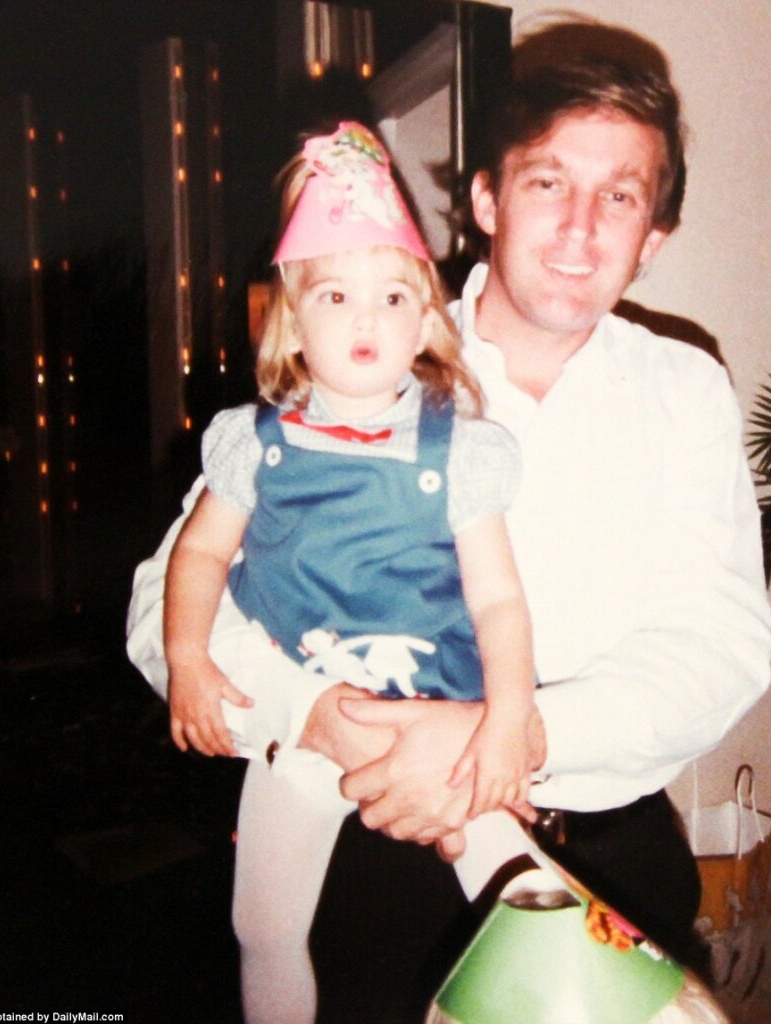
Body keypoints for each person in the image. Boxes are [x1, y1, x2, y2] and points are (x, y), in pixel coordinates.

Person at [128, 54, 771, 1019]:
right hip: (379, 847)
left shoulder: (685, 390)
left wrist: (506, 736)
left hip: (611, 852)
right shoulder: (366, 347)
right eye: (547, 183)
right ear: (484, 200)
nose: (580, 227)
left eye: (619, 196)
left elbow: (721, 648)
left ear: (652, 238)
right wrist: (316, 714)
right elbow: (163, 603)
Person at [157, 121, 560, 1024]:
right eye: (335, 296)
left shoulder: (461, 451)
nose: (365, 319)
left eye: (390, 297)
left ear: (425, 320)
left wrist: (506, 720)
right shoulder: (254, 443)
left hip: (441, 717)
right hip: (306, 724)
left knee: (520, 898)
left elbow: (498, 601)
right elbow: (202, 553)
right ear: (294, 321)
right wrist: (187, 656)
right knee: (262, 922)